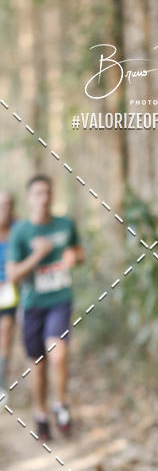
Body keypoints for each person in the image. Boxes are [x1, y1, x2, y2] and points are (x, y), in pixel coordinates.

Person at [6, 175, 84, 440]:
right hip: (32, 305)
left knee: (58, 353)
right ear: (29, 198)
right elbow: (13, 274)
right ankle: (41, 414)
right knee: (38, 366)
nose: (44, 198)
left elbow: (79, 252)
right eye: (38, 193)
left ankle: (61, 406)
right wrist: (37, 254)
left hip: (59, 300)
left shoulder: (65, 224)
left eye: (48, 193)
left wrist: (74, 257)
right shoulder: (21, 232)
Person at [0, 191, 18, 395]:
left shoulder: (18, 228)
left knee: (5, 333)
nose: (4, 209)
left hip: (9, 292)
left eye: (8, 205)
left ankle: (2, 384)